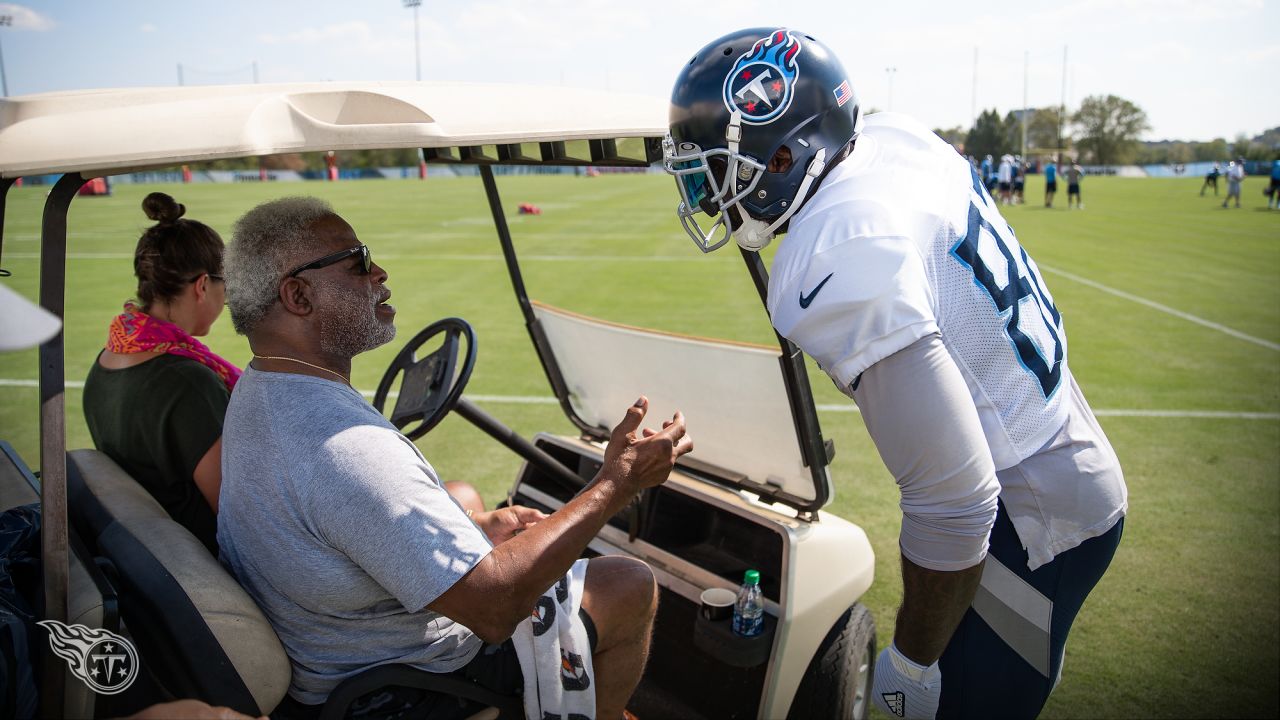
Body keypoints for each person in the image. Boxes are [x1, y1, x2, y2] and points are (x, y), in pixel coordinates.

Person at [664, 28, 1127, 720]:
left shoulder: (835, 253)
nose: (707, 196)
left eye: (717, 169)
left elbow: (957, 503)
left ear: (786, 154)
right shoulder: (897, 139)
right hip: (1055, 454)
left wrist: (912, 658)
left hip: (1036, 519)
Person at [217, 197, 693, 719]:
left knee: (466, 499)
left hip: (336, 659)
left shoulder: (262, 387)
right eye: (357, 262)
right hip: (409, 683)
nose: (379, 272)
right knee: (628, 583)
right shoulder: (346, 447)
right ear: (298, 295)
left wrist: (474, 530)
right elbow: (494, 609)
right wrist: (616, 483)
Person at [82, 192, 238, 553]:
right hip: (200, 561)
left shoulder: (107, 358)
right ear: (202, 285)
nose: (225, 299)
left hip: (151, 553)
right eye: (224, 286)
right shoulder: (187, 383)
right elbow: (237, 512)